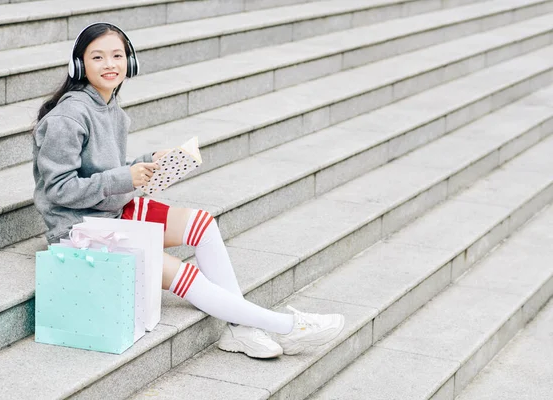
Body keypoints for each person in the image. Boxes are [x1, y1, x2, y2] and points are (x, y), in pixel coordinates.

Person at [32, 22, 345, 358]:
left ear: (130, 62)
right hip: (79, 229)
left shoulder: (113, 111)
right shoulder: (68, 117)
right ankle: (287, 327)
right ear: (79, 65)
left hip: (109, 209)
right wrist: (126, 177)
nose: (110, 64)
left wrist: (149, 161)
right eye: (98, 57)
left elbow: (103, 168)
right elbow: (59, 190)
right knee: (184, 273)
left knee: (203, 225)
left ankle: (239, 330)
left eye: (117, 56)